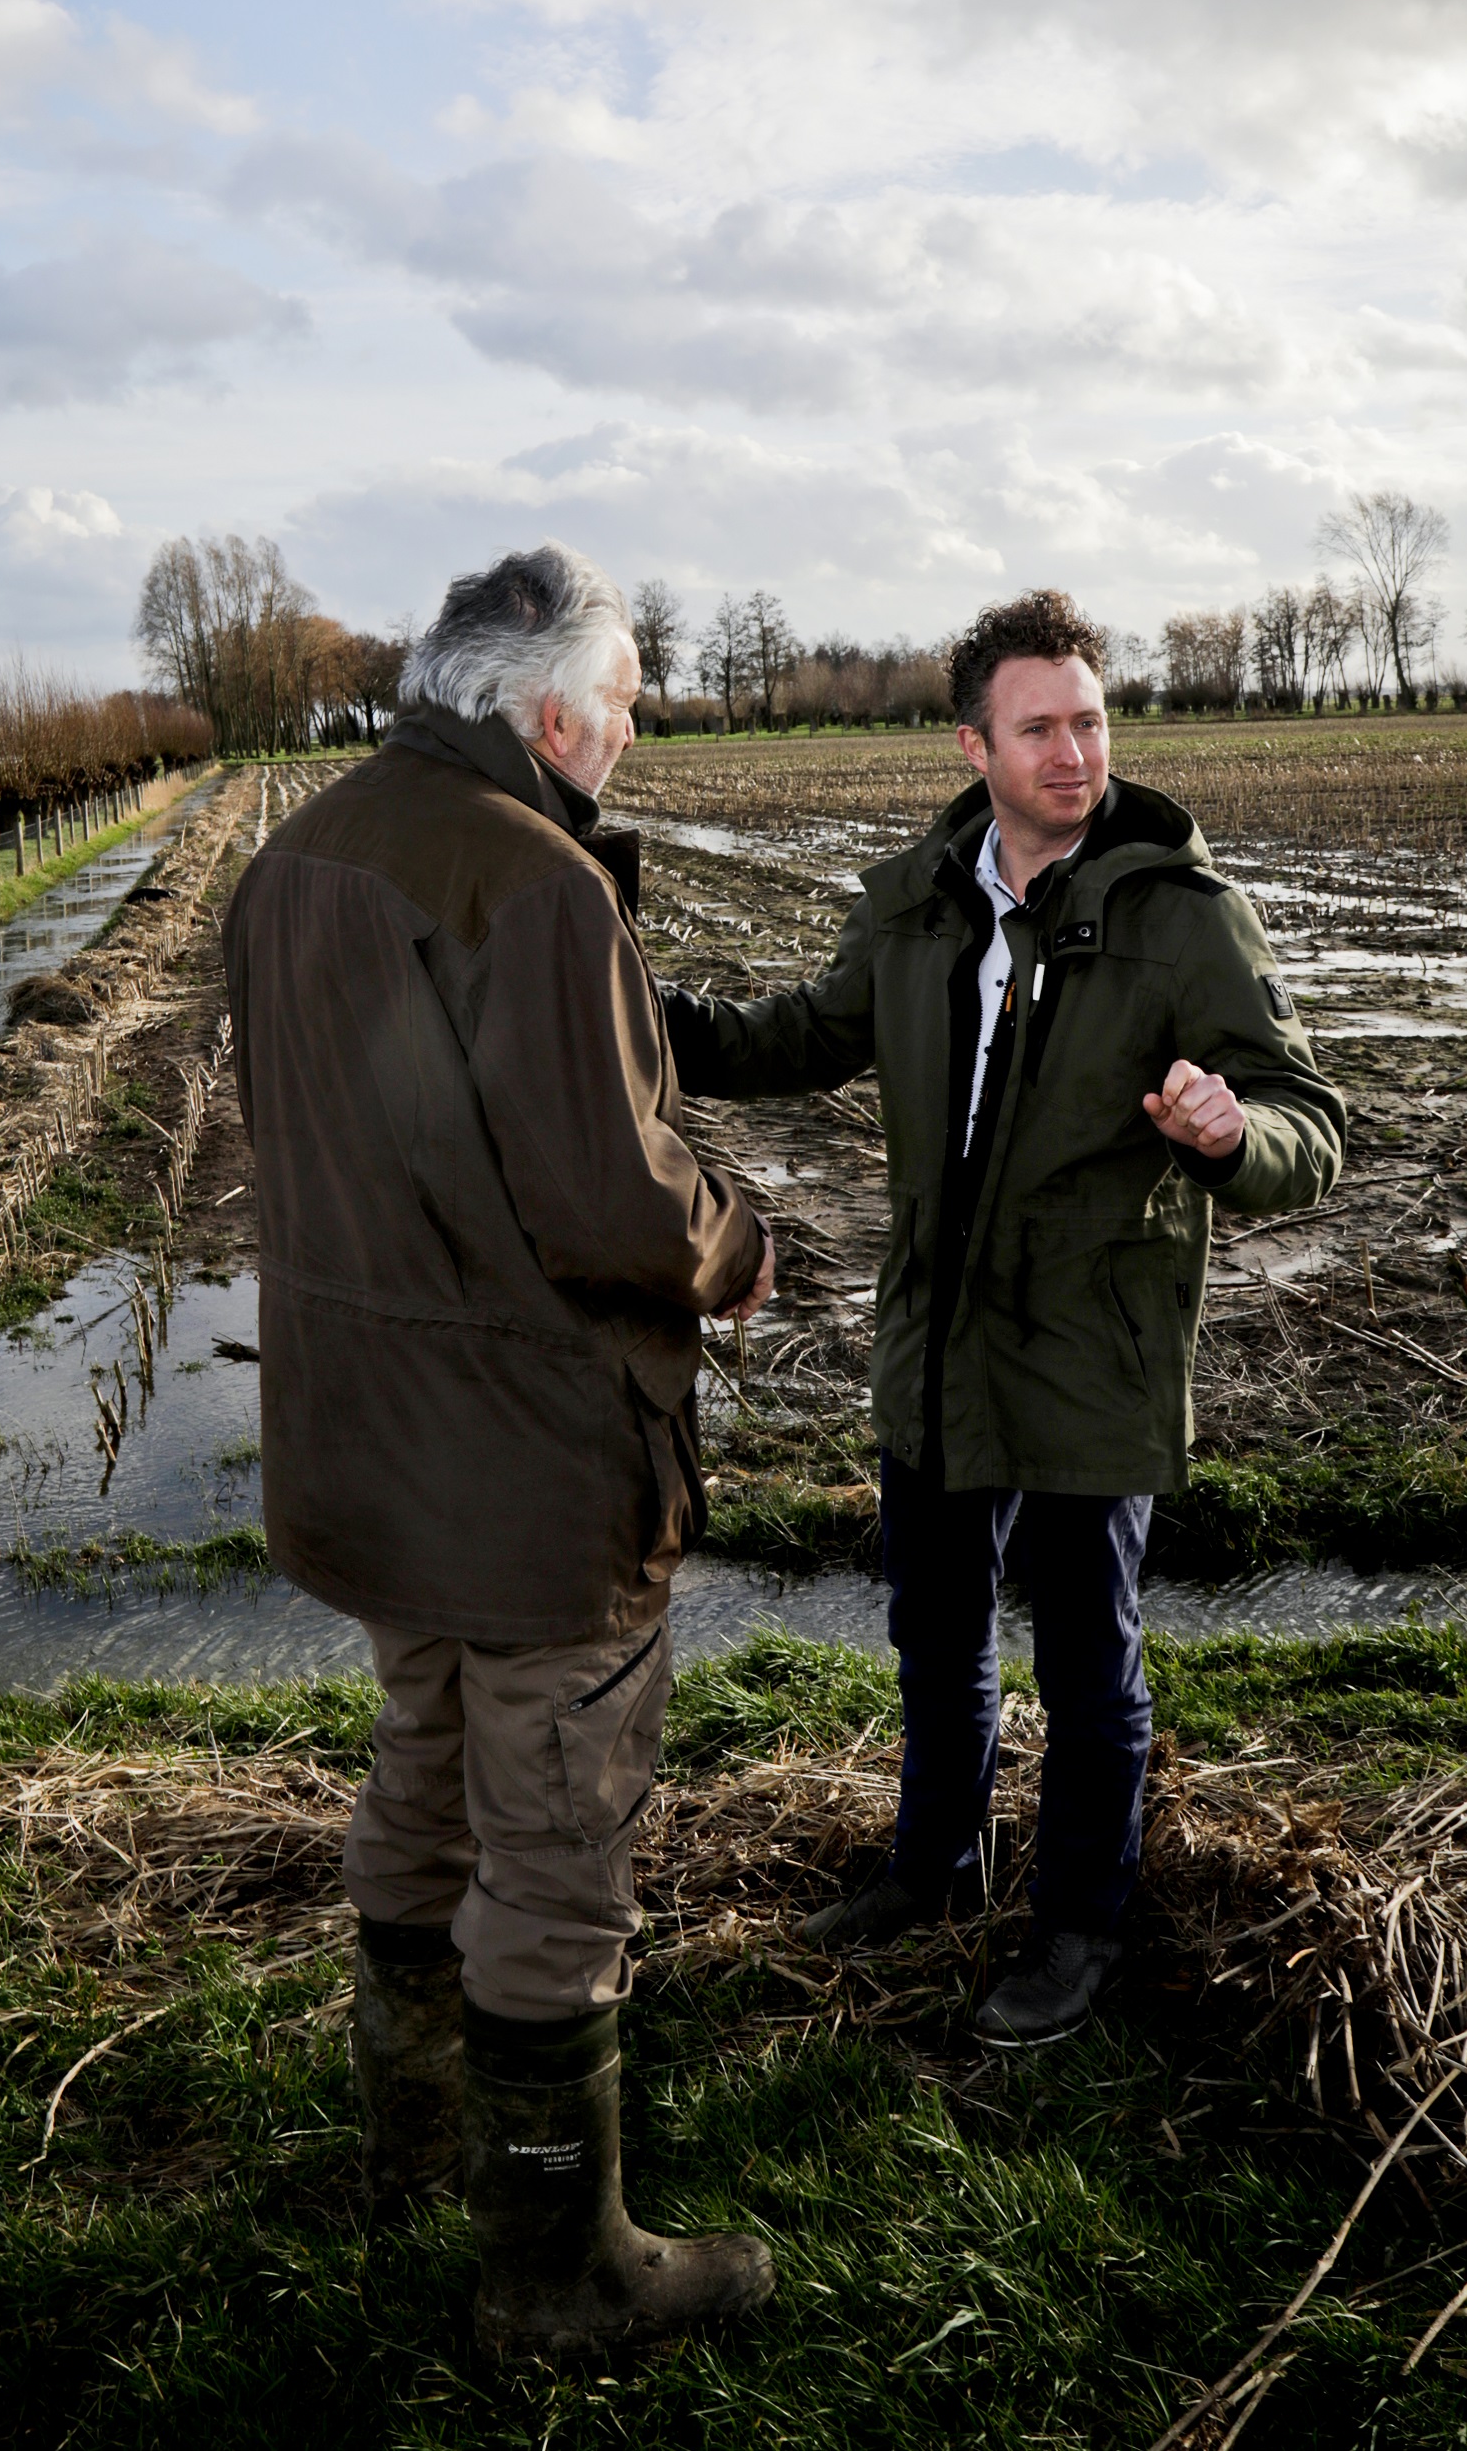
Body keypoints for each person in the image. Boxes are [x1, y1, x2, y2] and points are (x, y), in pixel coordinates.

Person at [223, 542, 778, 2354]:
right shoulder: (533, 884)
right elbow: (611, 1198)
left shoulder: (301, 847)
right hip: (529, 1463)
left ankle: (416, 2140)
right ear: (547, 711)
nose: (634, 728)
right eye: (623, 702)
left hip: (360, 1441)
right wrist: (741, 1239)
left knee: (423, 1769)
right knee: (555, 1839)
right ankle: (557, 2269)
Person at [659, 590, 1345, 2045]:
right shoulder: (916, 903)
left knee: (1090, 1657)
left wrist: (1233, 1137)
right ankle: (933, 1865)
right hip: (936, 1331)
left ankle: (1082, 1927)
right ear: (975, 742)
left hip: (1096, 1341)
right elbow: (804, 1034)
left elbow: (1310, 1119)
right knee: (936, 1625)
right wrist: (638, 1014)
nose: (1075, 752)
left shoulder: (1179, 917)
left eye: (1090, 721)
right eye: (1040, 727)